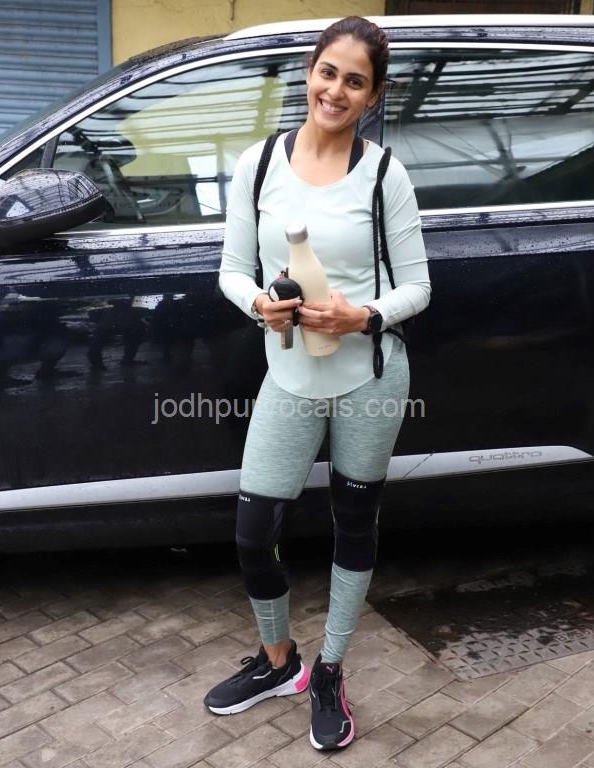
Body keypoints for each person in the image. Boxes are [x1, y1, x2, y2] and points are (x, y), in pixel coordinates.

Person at [205, 15, 431, 751]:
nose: (336, 90)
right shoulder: (260, 165)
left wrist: (361, 315)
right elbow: (231, 270)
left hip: (370, 377)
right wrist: (259, 304)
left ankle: (330, 670)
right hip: (290, 376)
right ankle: (280, 663)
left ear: (373, 95)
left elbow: (419, 288)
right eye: (328, 72)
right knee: (253, 533)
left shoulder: (385, 174)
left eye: (355, 81)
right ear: (310, 72)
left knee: (353, 523)